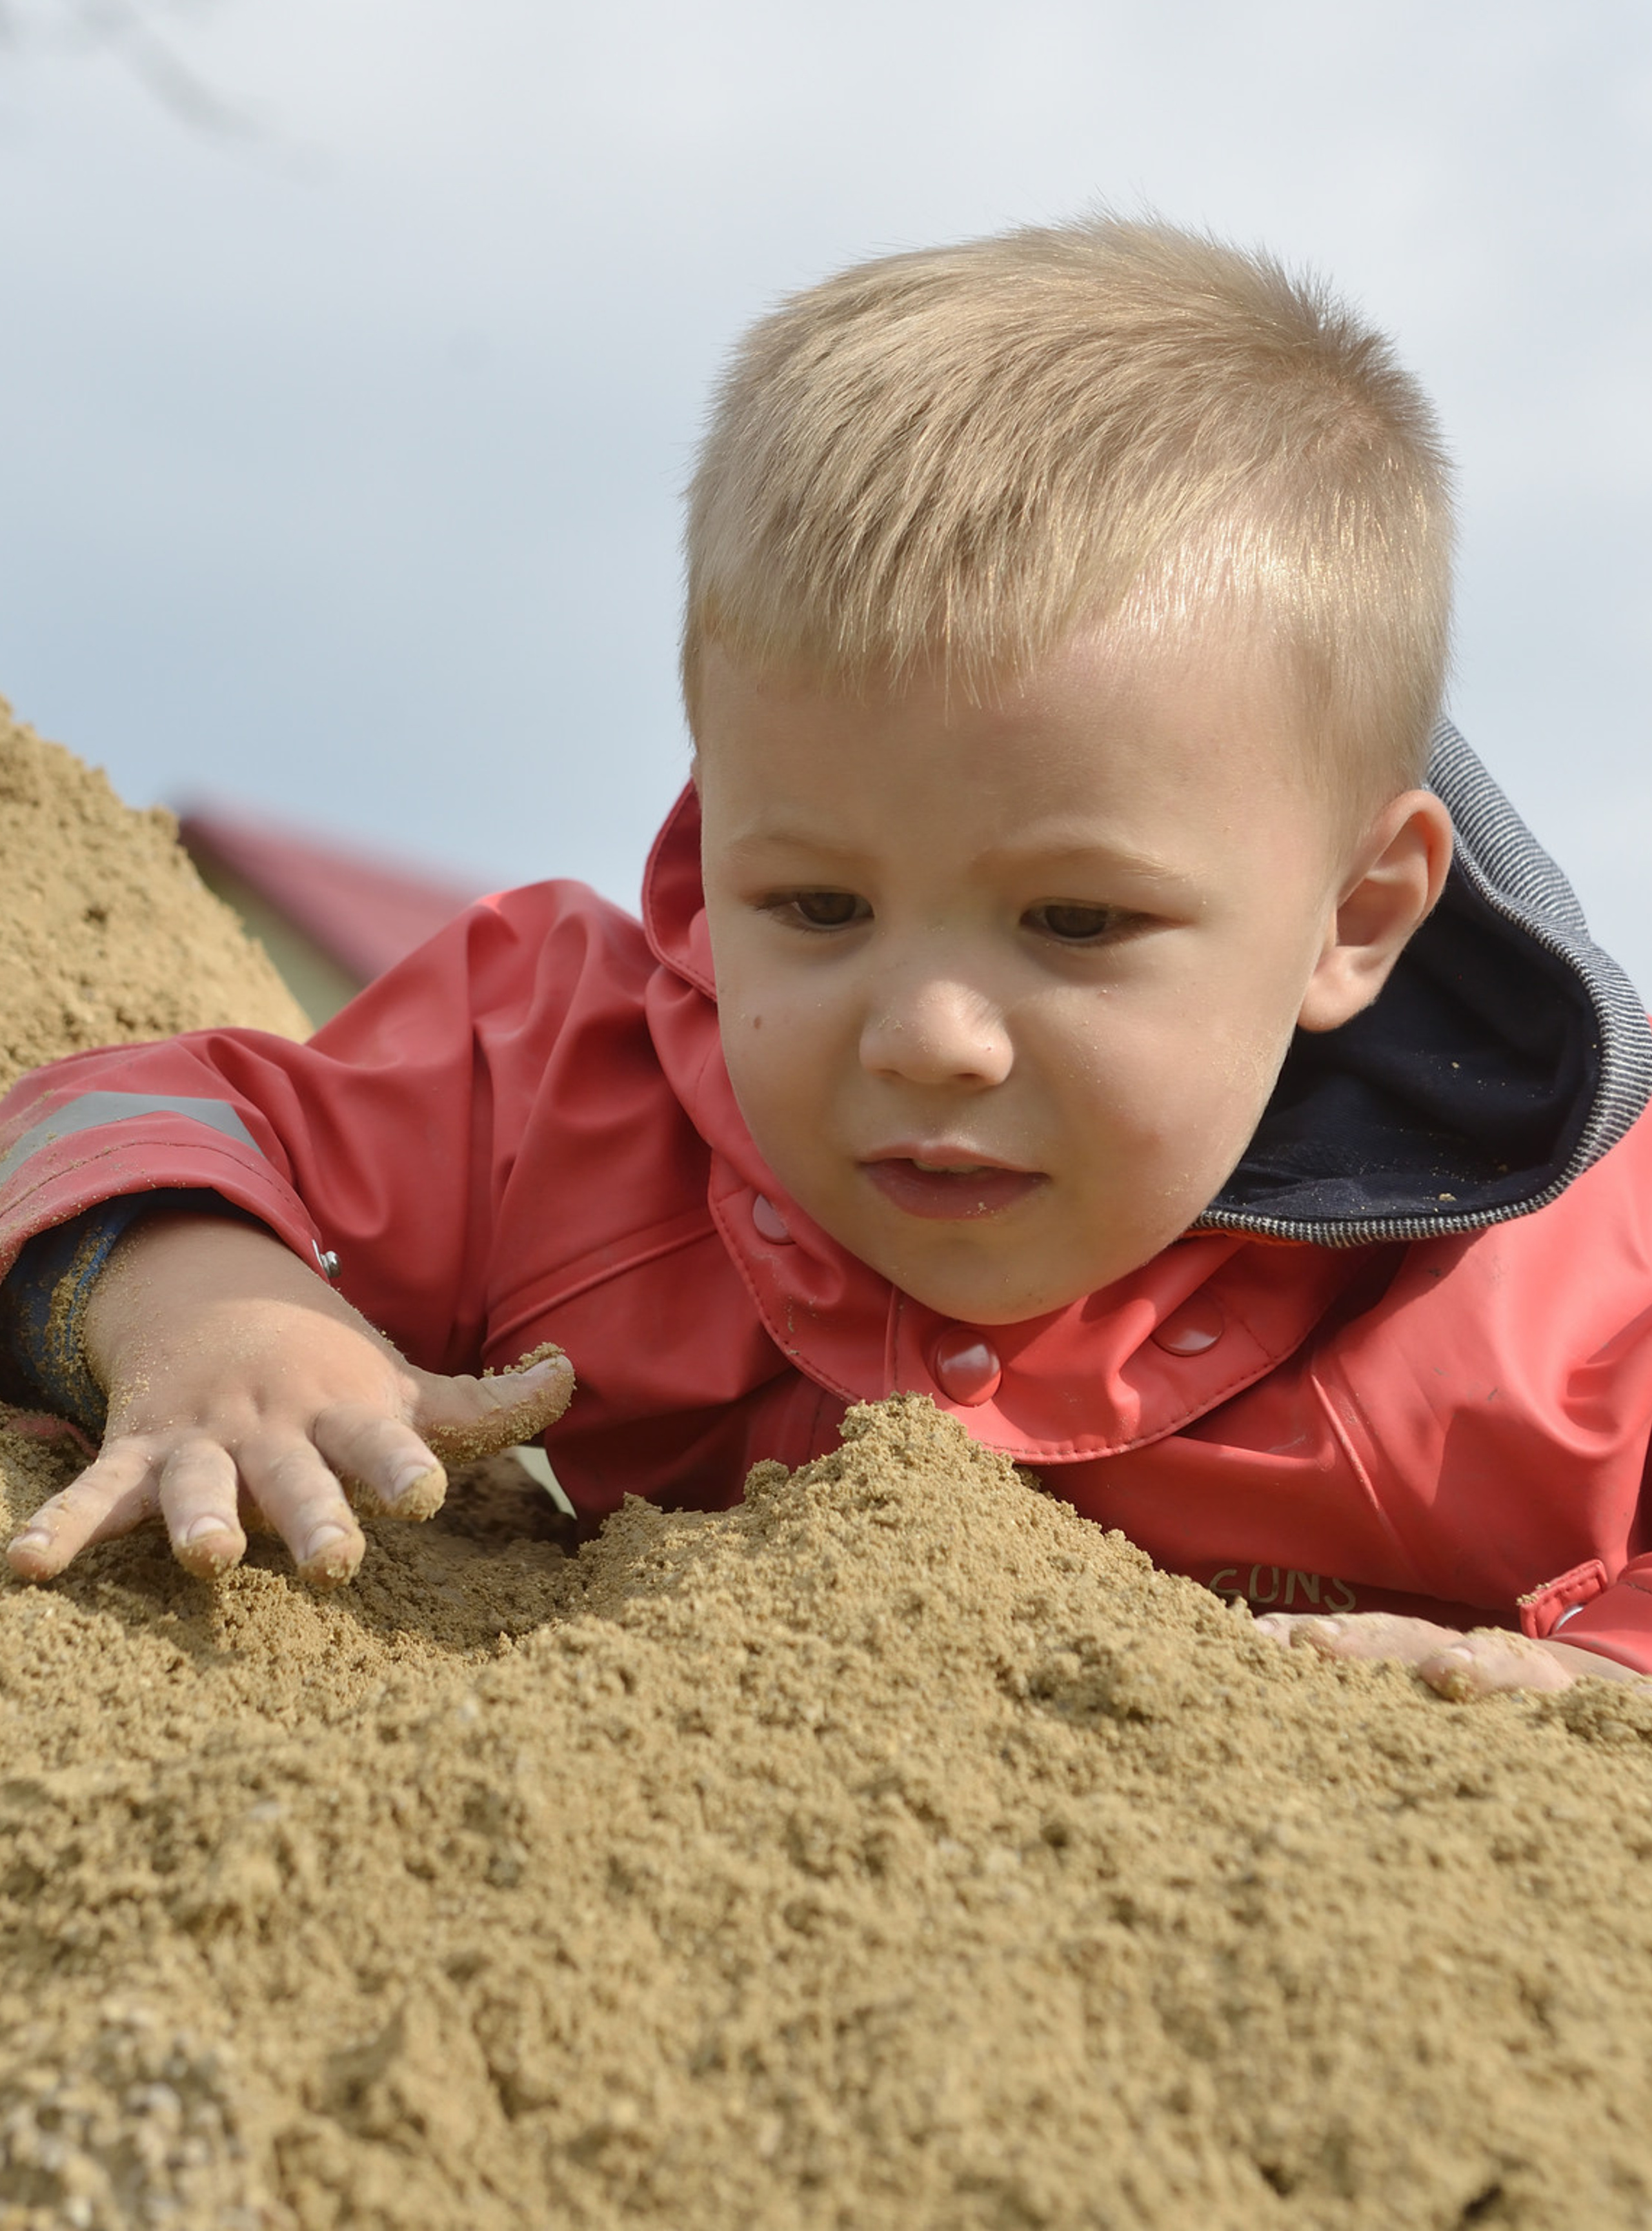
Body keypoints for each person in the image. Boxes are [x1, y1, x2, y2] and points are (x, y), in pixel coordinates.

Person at [3, 218, 1651, 1706]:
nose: (928, 1036)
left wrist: (1591, 1684)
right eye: (812, 906)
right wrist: (213, 1316)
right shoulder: (575, 1085)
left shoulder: (1562, 1282)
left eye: (1074, 923)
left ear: (1354, 920)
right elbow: (120, 1112)